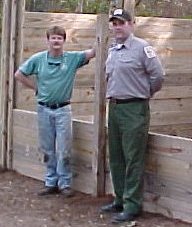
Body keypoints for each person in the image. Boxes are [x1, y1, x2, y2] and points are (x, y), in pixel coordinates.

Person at [100, 9, 165, 224]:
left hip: (134, 109)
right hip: (115, 107)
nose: (117, 27)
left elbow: (158, 75)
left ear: (131, 24)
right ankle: (119, 199)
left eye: (122, 23)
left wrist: (145, 94)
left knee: (133, 158)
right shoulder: (114, 49)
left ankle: (132, 205)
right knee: (116, 156)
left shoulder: (142, 48)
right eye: (114, 23)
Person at [15, 26, 95, 197]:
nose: (56, 41)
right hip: (44, 109)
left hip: (63, 110)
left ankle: (65, 183)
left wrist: (105, 35)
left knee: (64, 148)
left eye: (59, 38)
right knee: (47, 148)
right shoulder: (38, 59)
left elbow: (92, 52)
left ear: (64, 41)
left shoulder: (72, 59)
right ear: (48, 40)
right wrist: (36, 88)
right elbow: (19, 74)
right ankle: (50, 182)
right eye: (53, 38)